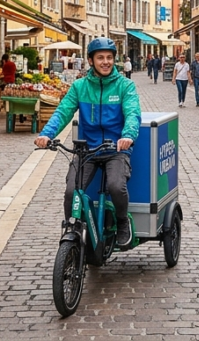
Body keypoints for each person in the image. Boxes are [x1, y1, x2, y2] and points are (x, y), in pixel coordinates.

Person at [35, 38, 140, 246]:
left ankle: (121, 222)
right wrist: (46, 134)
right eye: (100, 58)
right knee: (71, 191)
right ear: (91, 61)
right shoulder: (79, 87)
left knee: (116, 186)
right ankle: (72, 228)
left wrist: (128, 135)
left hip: (115, 148)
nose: (105, 62)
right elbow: (63, 112)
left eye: (109, 57)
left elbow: (132, 113)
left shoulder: (125, 86)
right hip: (87, 150)